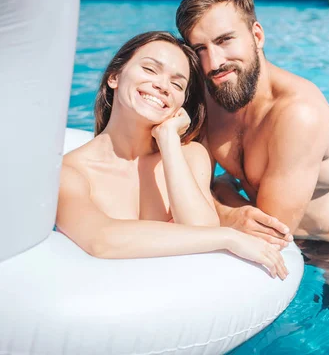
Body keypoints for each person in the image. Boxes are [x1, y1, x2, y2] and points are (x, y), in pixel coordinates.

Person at [176, 0, 329, 354]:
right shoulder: (213, 93)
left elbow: (271, 231)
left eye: (226, 40)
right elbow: (185, 178)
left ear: (256, 35)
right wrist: (229, 205)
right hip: (271, 226)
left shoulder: (298, 114)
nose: (214, 62)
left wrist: (223, 196)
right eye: (200, 49)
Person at [55, 31, 288, 281]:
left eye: (177, 84)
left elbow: (201, 230)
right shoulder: (71, 171)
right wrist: (229, 236)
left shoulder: (189, 156)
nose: (163, 86)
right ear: (115, 77)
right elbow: (100, 240)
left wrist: (168, 140)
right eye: (150, 69)